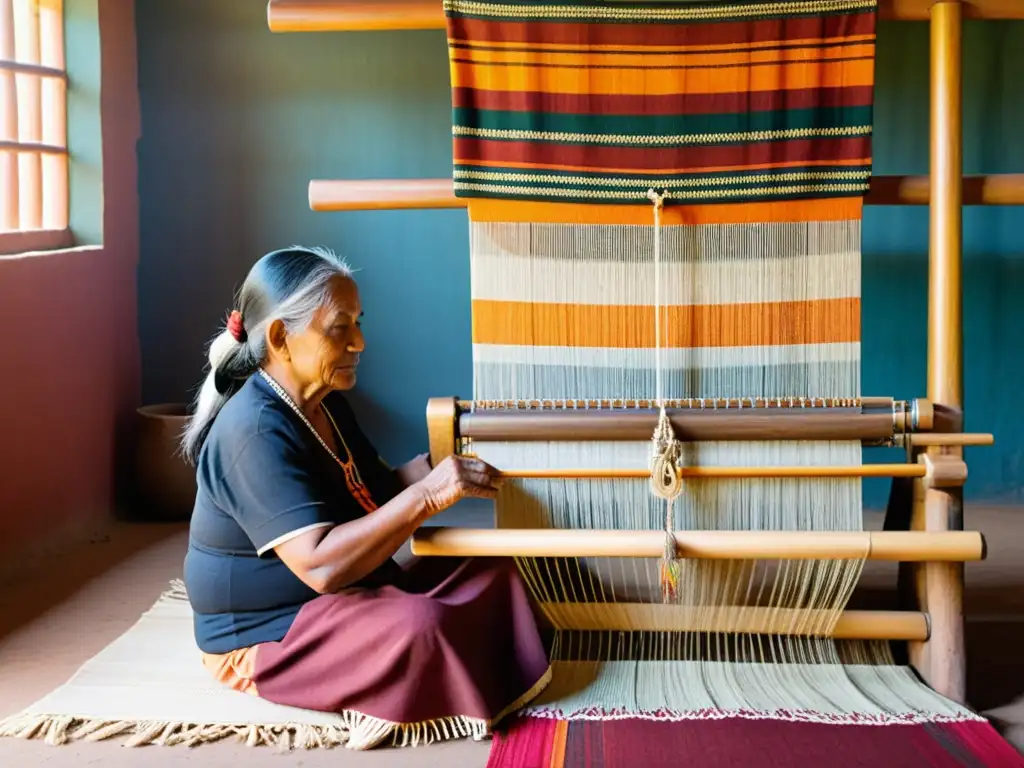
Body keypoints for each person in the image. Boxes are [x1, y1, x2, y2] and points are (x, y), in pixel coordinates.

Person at [180, 246, 551, 750]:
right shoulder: (253, 431)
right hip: (271, 630)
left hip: (339, 596)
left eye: (358, 323)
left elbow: (374, 492)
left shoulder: (326, 404)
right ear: (280, 338)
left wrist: (447, 461)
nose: (360, 341)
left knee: (495, 568)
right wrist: (428, 495)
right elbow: (322, 567)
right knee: (422, 626)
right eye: (340, 328)